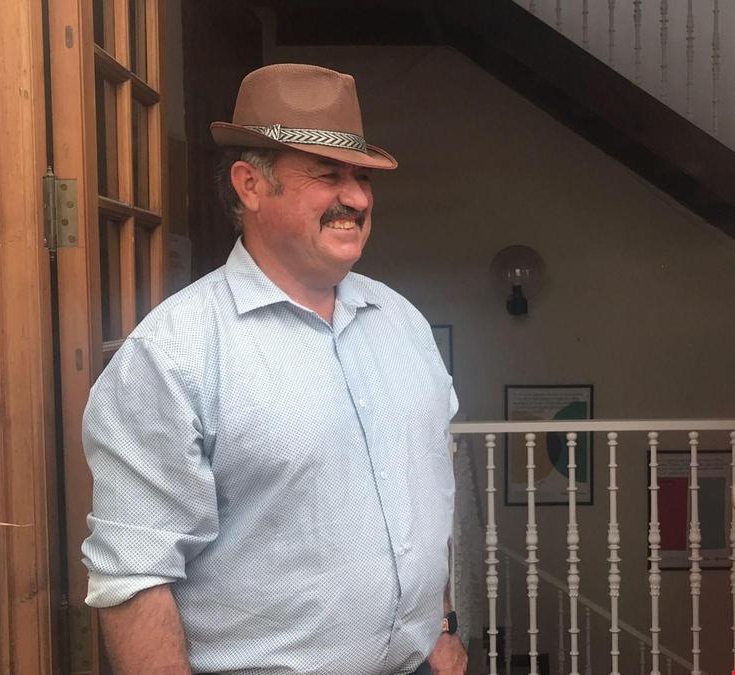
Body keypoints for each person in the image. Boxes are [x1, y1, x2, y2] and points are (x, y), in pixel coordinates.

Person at [81, 63, 467, 675]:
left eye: (363, 178)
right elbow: (134, 573)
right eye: (328, 175)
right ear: (250, 185)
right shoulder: (176, 351)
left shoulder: (404, 324)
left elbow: (427, 497)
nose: (358, 199)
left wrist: (442, 627)